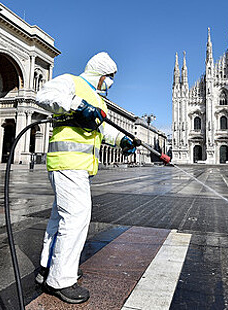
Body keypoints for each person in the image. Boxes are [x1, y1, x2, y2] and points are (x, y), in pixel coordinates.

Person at [34, 52, 136, 304]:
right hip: (68, 163)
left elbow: (101, 128)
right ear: (100, 74)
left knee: (59, 219)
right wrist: (77, 105)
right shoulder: (71, 82)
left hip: (77, 165)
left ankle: (48, 267)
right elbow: (44, 96)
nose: (110, 83)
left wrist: (121, 139)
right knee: (76, 218)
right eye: (110, 77)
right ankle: (61, 280)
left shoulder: (96, 98)